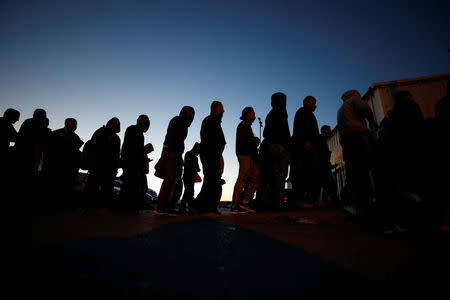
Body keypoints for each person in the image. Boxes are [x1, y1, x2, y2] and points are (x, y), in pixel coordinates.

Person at [337, 89, 377, 219]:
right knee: (363, 167)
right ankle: (366, 201)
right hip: (358, 135)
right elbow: (365, 107)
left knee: (352, 169)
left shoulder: (341, 109)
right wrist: (371, 122)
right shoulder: (354, 99)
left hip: (345, 139)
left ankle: (355, 200)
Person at [155, 106, 195, 215]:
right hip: (172, 154)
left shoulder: (183, 124)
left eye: (192, 114)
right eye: (188, 113)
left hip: (175, 154)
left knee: (174, 181)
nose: (190, 116)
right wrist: (167, 153)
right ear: (183, 113)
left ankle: (169, 207)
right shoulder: (177, 120)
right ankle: (161, 207)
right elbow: (170, 137)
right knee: (170, 180)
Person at [258, 92, 290, 210]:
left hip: (271, 147)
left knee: (273, 176)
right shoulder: (282, 112)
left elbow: (265, 133)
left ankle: (269, 203)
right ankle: (278, 204)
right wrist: (289, 145)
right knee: (281, 176)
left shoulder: (269, 114)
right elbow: (285, 131)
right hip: (280, 147)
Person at [192, 101, 226, 214]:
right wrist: (216, 154)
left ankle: (207, 207)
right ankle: (199, 206)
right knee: (211, 181)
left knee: (212, 181)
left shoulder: (213, 121)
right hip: (210, 155)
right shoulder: (211, 120)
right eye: (222, 108)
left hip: (212, 155)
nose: (224, 111)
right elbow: (211, 140)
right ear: (215, 108)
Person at [45, 118, 83, 211]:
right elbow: (49, 149)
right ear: (66, 124)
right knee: (56, 185)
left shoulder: (75, 137)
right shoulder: (56, 134)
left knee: (66, 186)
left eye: (75, 124)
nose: (74, 126)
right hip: (57, 165)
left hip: (69, 166)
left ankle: (64, 205)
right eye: (72, 124)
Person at [84, 117, 121, 214]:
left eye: (116, 123)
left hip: (110, 167)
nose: (114, 124)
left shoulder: (117, 138)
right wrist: (91, 161)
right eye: (112, 122)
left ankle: (104, 207)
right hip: (97, 165)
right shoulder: (99, 132)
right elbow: (91, 146)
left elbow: (117, 154)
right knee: (92, 186)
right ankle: (88, 206)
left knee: (107, 189)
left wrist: (115, 167)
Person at [290, 96, 320, 208]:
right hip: (304, 148)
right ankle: (299, 200)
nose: (315, 105)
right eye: (313, 103)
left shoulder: (308, 113)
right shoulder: (303, 112)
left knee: (311, 174)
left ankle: (311, 200)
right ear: (307, 103)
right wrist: (306, 142)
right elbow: (302, 129)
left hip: (309, 147)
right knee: (302, 174)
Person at [231, 107, 260, 214]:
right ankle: (235, 206)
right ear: (248, 114)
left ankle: (244, 203)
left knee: (254, 177)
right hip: (245, 156)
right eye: (253, 114)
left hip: (247, 156)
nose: (254, 116)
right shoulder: (243, 126)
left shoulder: (246, 126)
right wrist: (254, 142)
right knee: (242, 179)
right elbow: (245, 143)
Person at [119, 114, 151, 212]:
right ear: (141, 122)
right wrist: (143, 152)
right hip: (131, 162)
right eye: (146, 122)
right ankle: (125, 207)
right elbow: (133, 148)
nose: (147, 125)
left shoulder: (136, 131)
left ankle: (127, 207)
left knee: (132, 184)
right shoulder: (134, 130)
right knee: (131, 184)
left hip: (132, 161)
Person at [317, 125, 338, 207]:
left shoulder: (323, 139)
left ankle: (325, 203)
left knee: (327, 187)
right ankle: (335, 204)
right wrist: (327, 154)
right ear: (324, 130)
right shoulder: (321, 139)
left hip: (324, 167)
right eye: (329, 130)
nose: (330, 131)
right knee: (330, 187)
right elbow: (321, 155)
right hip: (323, 168)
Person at [180, 142, 201, 214]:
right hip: (190, 177)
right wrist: (197, 168)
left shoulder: (187, 154)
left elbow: (186, 164)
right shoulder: (194, 157)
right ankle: (190, 208)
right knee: (189, 192)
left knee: (187, 192)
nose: (198, 153)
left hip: (186, 176)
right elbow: (197, 168)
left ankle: (183, 208)